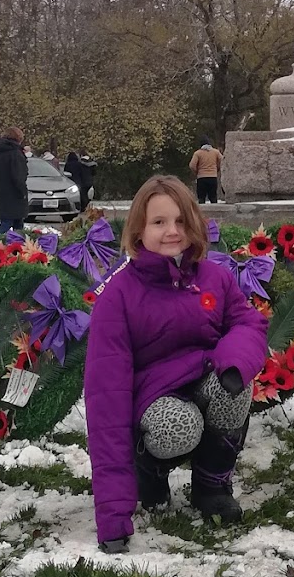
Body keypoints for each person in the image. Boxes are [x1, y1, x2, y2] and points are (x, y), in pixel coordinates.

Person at [84, 174, 268, 551]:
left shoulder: (214, 276)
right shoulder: (118, 294)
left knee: (233, 388)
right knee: (177, 425)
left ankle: (212, 485)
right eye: (159, 222)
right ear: (138, 230)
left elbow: (248, 322)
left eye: (181, 221)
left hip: (201, 378)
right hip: (153, 402)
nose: (172, 231)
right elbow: (107, 398)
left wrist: (233, 362)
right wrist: (113, 516)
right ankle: (148, 474)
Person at [0, 127, 28, 238]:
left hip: (1, 194)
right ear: (18, 138)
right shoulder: (16, 154)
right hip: (15, 195)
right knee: (8, 223)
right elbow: (18, 176)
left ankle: (18, 246)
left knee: (16, 223)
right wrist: (22, 192)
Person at [189, 139, 223, 204]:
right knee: (213, 198)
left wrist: (197, 172)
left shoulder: (198, 153)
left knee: (201, 198)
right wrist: (217, 169)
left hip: (201, 178)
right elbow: (223, 160)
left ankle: (201, 213)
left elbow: (192, 165)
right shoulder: (216, 152)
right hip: (213, 177)